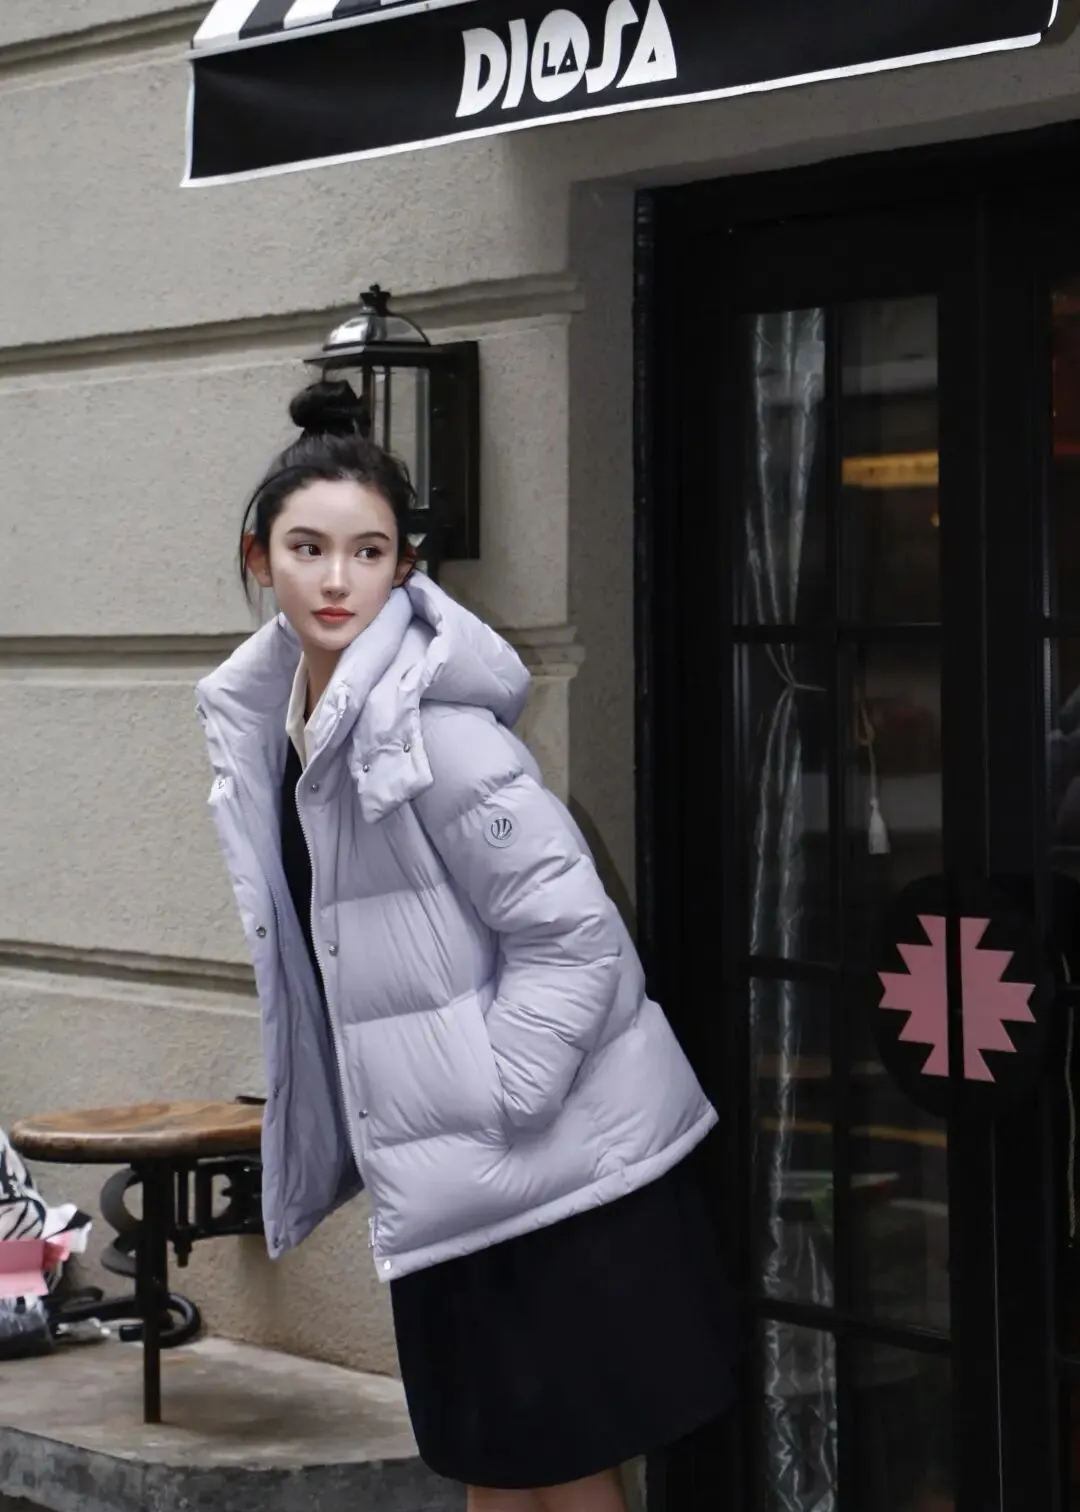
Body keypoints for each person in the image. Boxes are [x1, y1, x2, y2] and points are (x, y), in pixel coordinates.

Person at [195, 380, 735, 1511]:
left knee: (567, 1474)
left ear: (405, 568)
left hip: (543, 1177)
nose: (335, 580)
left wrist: (496, 1094)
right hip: (452, 1186)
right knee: (493, 1469)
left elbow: (575, 941)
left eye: (367, 552)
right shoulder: (285, 741)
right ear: (260, 560)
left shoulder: (435, 736)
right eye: (307, 549)